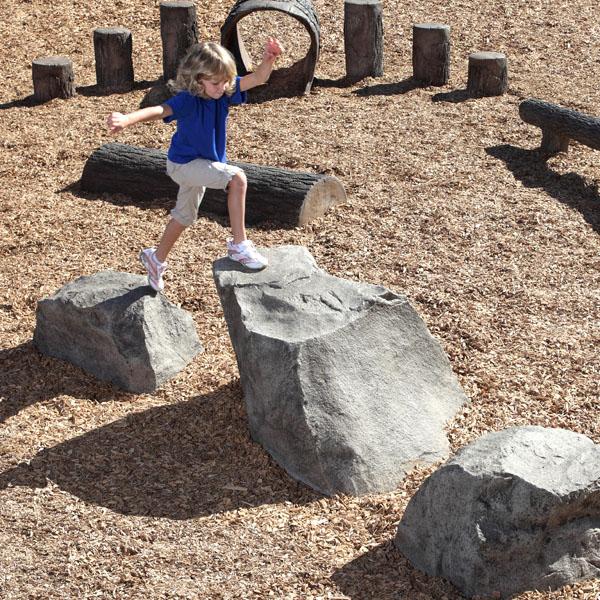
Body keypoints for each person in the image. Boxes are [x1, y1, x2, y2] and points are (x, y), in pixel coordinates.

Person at [106, 37, 283, 291]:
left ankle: (156, 260)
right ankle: (239, 246)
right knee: (237, 178)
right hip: (184, 165)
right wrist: (126, 119)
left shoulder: (223, 92)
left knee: (184, 216)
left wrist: (269, 59)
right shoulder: (188, 100)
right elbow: (159, 110)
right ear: (198, 79)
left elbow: (258, 79)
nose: (222, 87)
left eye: (225, 81)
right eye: (215, 83)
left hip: (200, 165)